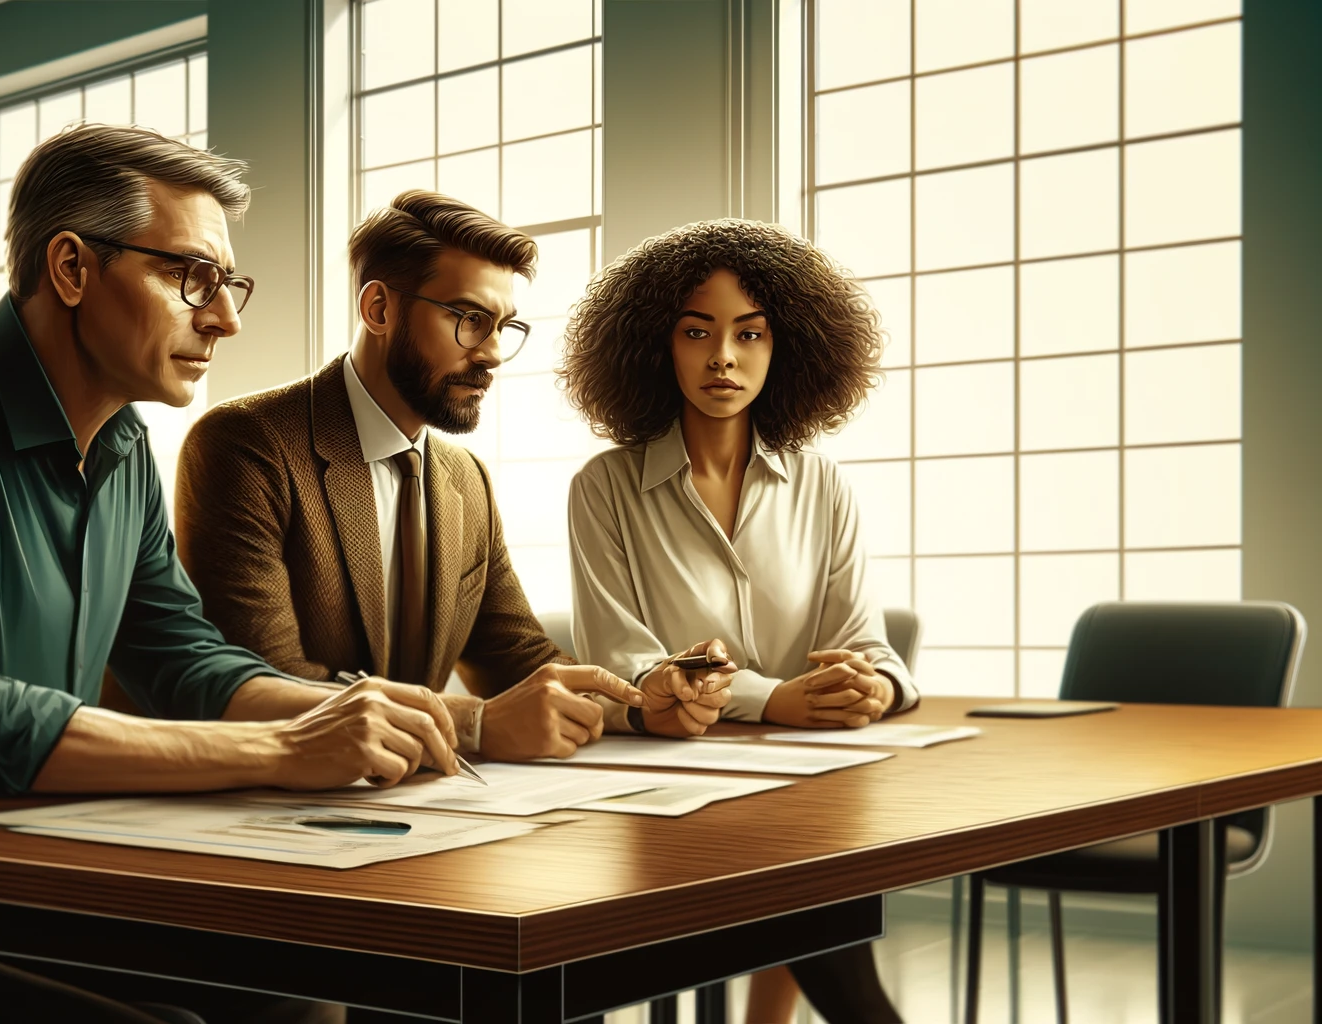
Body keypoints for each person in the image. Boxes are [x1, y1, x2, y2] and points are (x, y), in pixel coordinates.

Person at [0, 126, 465, 1024]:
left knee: (300, 996)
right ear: (71, 269)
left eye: (227, 284)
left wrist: (367, 714)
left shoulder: (123, 446)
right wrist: (287, 751)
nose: (225, 317)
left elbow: (182, 662)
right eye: (192, 278)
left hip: (7, 890)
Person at [559, 218, 917, 1022]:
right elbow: (631, 666)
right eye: (698, 332)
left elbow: (867, 644)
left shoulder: (824, 485)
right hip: (670, 800)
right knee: (836, 951)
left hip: (812, 799)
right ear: (659, 346)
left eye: (749, 334)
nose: (723, 357)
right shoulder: (604, 488)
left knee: (822, 907)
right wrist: (775, 698)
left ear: (785, 348)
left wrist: (876, 690)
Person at [174, 190, 664, 764]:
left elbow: (517, 660)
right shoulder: (246, 444)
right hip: (265, 806)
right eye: (469, 319)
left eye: (504, 325)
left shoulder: (466, 479)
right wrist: (475, 725)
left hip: (417, 804)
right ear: (378, 309)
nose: (494, 353)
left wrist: (639, 702)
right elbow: (265, 682)